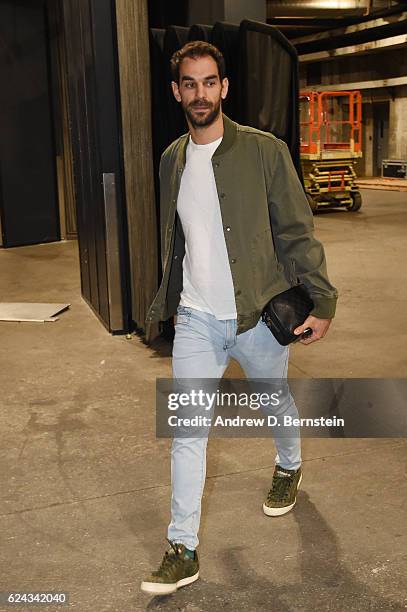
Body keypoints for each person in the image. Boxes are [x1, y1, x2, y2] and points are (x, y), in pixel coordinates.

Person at [141, 41, 337, 595]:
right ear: (176, 91)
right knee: (187, 432)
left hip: (256, 315)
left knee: (273, 397)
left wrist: (322, 301)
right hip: (197, 320)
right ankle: (183, 548)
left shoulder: (264, 151)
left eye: (209, 82)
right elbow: (176, 242)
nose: (199, 93)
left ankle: (289, 464)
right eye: (189, 83)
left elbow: (297, 231)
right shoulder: (171, 159)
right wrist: (174, 303)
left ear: (224, 88)